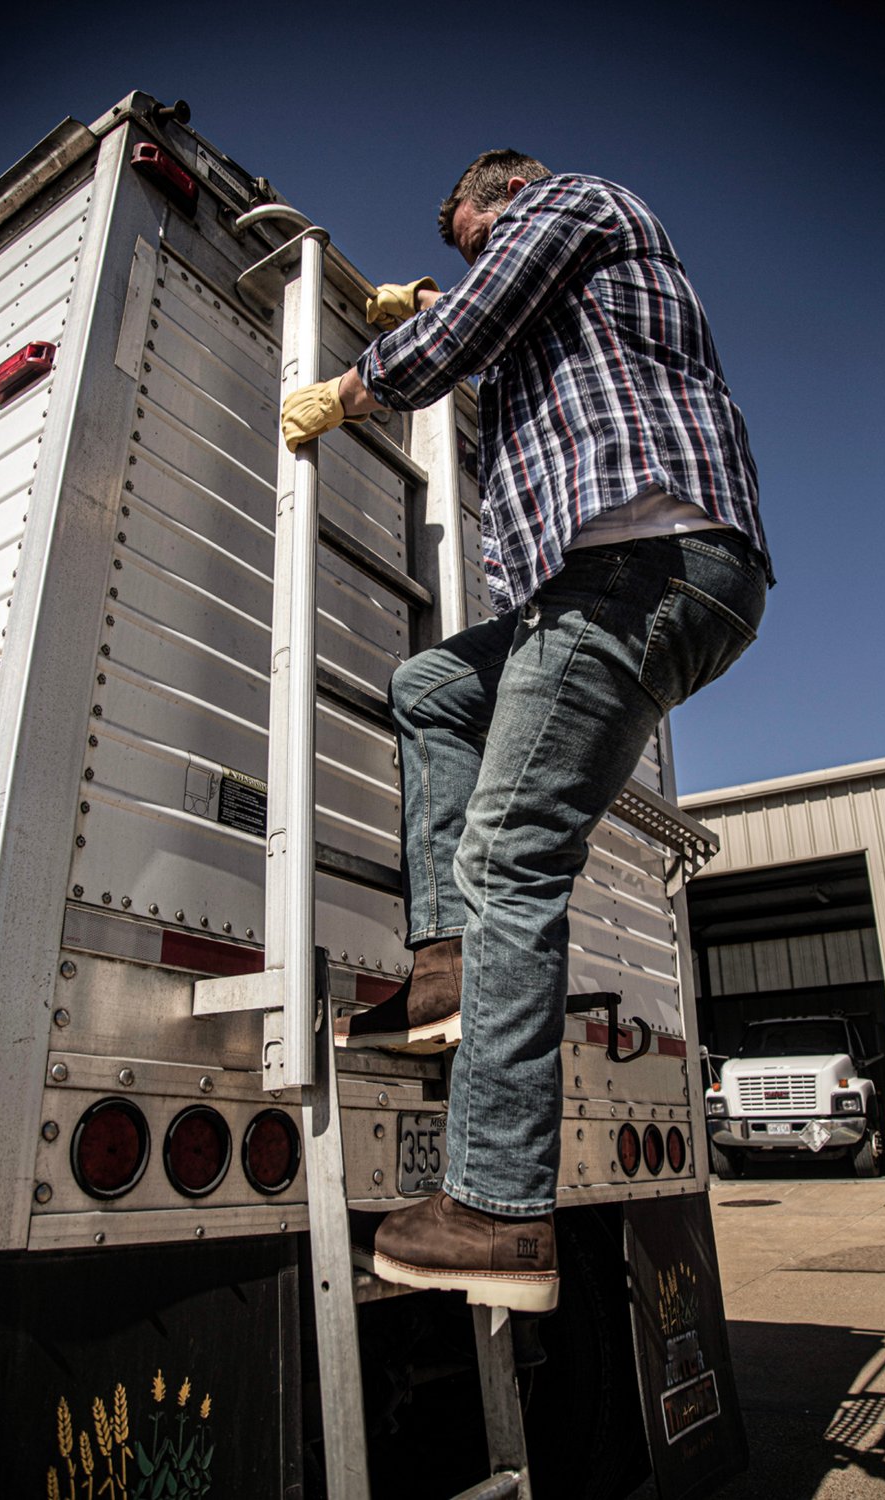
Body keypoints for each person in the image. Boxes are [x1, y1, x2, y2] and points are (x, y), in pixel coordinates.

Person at [280, 150, 773, 1313]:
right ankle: (446, 962)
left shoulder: (569, 200)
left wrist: (351, 388)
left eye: (462, 232)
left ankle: (497, 1210)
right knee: (435, 689)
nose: (466, 253)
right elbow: (498, 320)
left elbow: (479, 318)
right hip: (629, 580)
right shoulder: (562, 278)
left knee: (510, 853)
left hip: (638, 566)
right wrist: (431, 303)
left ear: (498, 194)